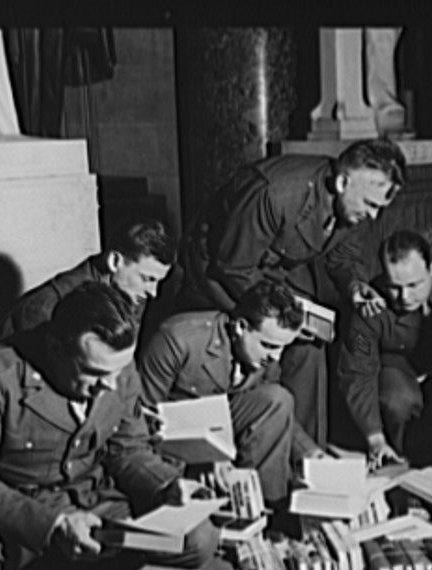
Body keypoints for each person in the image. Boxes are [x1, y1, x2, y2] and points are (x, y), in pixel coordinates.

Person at [0, 282, 217, 570]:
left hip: (95, 499)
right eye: (95, 373)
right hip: (24, 508)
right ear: (56, 348)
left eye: (118, 371)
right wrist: (53, 525)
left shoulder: (116, 366)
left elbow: (128, 449)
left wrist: (167, 485)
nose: (110, 385)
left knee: (199, 538)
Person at [174, 137, 408, 446]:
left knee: (310, 349)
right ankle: (266, 449)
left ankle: (309, 455)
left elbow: (343, 254)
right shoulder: (274, 192)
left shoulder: (353, 203)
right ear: (341, 182)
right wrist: (286, 316)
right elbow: (233, 266)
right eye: (371, 204)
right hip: (217, 275)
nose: (375, 215)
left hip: (271, 272)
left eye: (381, 207)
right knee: (277, 339)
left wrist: (354, 285)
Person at [139, 280, 325, 505]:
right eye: (269, 346)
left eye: (283, 347)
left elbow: (274, 408)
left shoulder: (264, 353)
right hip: (174, 436)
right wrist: (204, 455)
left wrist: (310, 453)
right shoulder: (177, 338)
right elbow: (143, 416)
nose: (275, 357)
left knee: (278, 397)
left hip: (222, 426)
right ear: (240, 327)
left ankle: (266, 511)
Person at [336, 230, 432, 467]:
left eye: (414, 284)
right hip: (397, 367)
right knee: (399, 400)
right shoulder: (368, 309)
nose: (405, 297)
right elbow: (357, 372)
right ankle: (404, 465)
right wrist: (375, 439)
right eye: (395, 286)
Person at [0, 218, 177, 341]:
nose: (153, 292)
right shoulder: (43, 308)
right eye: (148, 279)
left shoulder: (130, 294)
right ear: (115, 261)